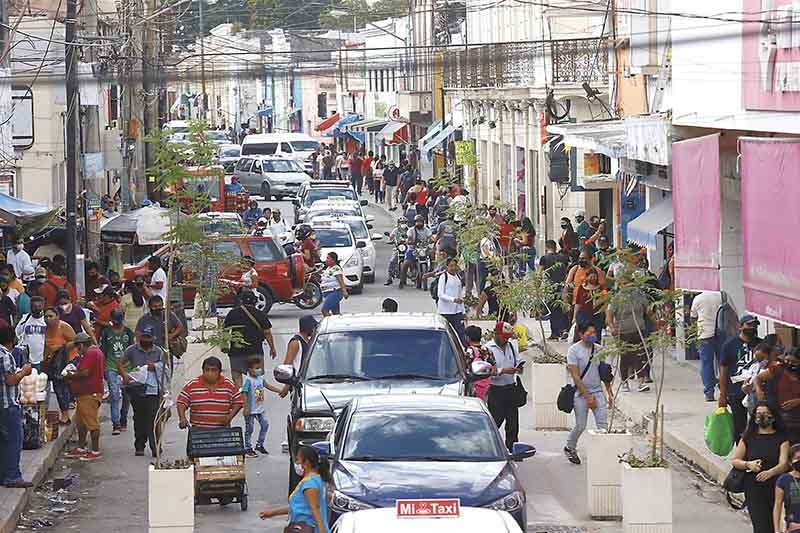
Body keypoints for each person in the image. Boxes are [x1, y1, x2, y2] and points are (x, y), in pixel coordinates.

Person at [730, 401, 789, 533]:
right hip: (754, 486)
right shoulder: (748, 437)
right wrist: (748, 464)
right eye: (759, 414)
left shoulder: (781, 438)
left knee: (774, 524)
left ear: (773, 416)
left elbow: (784, 464)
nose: (762, 416)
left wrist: (771, 472)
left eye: (766, 413)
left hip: (775, 485)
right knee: (761, 525)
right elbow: (735, 460)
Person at [564, 321, 613, 465]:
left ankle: (602, 455)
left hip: (597, 391)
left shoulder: (599, 349)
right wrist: (587, 397)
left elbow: (605, 373)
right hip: (581, 393)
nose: (592, 336)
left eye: (594, 333)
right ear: (581, 334)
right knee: (580, 425)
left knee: (603, 425)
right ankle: (570, 447)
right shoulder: (574, 351)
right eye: (589, 333)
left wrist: (610, 394)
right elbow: (575, 376)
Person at [118, 326, 166, 456]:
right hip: (136, 389)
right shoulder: (132, 350)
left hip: (153, 389)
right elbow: (120, 363)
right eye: (143, 337)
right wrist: (125, 375)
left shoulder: (159, 352)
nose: (146, 340)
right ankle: (139, 444)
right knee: (139, 418)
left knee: (153, 417)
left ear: (153, 338)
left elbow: (165, 369)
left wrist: (155, 367)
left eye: (148, 337)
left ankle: (155, 446)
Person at [260, 445, 331, 532]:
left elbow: (315, 509)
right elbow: (298, 507)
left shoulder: (310, 484)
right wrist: (271, 513)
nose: (296, 463)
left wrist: (321, 530)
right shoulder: (315, 479)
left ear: (306, 462)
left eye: (298, 460)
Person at [720, 314, 763, 443]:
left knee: (758, 425)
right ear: (740, 326)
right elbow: (723, 370)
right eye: (749, 325)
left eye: (754, 325)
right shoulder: (729, 345)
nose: (752, 328)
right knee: (740, 426)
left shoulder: (761, 345)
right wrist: (722, 394)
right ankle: (740, 455)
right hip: (735, 391)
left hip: (755, 392)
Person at [63, 333, 105, 461]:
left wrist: (69, 376)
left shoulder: (91, 353)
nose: (76, 350)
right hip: (84, 394)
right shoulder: (94, 352)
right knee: (81, 423)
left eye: (77, 347)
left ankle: (95, 451)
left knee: (92, 423)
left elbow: (85, 373)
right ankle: (81, 448)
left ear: (81, 345)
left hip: (90, 393)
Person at [0, 321, 33, 488]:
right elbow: (11, 380)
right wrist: (24, 372)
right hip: (8, 405)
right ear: (12, 339)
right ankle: (13, 476)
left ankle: (4, 475)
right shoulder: (5, 355)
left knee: (4, 442)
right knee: (14, 441)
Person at [223, 290, 277, 389]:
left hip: (237, 351)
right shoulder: (260, 314)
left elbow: (225, 331)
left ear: (241, 301)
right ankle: (258, 399)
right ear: (255, 301)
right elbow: (267, 332)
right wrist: (272, 348)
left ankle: (240, 399)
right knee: (257, 379)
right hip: (255, 351)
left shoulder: (232, 313)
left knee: (237, 377)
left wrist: (224, 346)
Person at [606, 282, 652, 393]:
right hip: (622, 332)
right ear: (621, 285)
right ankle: (624, 382)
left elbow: (648, 310)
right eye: (626, 284)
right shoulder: (617, 298)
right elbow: (610, 314)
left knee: (640, 356)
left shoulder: (639, 296)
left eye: (631, 283)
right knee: (625, 357)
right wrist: (612, 327)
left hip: (638, 330)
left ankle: (641, 383)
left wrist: (656, 323)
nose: (629, 286)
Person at [485, 321, 523, 451]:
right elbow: (488, 371)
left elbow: (518, 360)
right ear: (496, 334)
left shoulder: (511, 346)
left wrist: (519, 367)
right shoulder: (488, 349)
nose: (506, 340)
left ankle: (512, 447)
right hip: (496, 389)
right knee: (496, 420)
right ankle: (489, 446)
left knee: (513, 421)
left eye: (508, 337)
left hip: (510, 388)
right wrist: (504, 370)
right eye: (504, 337)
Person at [177, 356, 243, 429]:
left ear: (219, 371)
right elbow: (181, 402)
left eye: (213, 370)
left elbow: (238, 402)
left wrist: (229, 417)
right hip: (198, 431)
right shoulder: (192, 385)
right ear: (203, 370)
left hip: (222, 430)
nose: (210, 373)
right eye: (207, 370)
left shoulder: (228, 385)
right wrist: (182, 418)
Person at [99, 309, 134, 435]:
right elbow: (103, 351)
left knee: (127, 395)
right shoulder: (106, 332)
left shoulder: (128, 333)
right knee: (114, 395)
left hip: (126, 368)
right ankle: (116, 423)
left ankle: (123, 418)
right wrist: (102, 368)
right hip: (111, 366)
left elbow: (132, 350)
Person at [757, 347, 800, 445]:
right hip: (779, 415)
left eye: (794, 362)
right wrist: (759, 391)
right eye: (787, 360)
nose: (789, 363)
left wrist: (798, 401)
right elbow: (758, 378)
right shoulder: (777, 369)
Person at [242, 355, 282, 457]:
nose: (259, 370)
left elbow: (268, 386)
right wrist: (246, 408)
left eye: (260, 368)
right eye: (256, 368)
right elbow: (244, 393)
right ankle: (247, 448)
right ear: (249, 370)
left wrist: (279, 391)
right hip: (250, 409)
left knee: (265, 425)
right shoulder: (247, 380)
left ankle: (260, 444)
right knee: (249, 429)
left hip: (260, 408)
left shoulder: (260, 379)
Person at [44, 306, 77, 425]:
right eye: (46, 316)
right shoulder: (45, 329)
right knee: (58, 388)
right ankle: (65, 412)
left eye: (51, 316)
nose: (48, 319)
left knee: (62, 386)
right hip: (53, 362)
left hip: (68, 360)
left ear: (57, 317)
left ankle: (66, 412)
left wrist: (59, 348)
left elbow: (76, 342)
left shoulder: (64, 327)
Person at [691, 290, 723, 402]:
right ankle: (724, 390)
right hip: (721, 333)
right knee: (723, 362)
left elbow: (693, 315)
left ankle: (709, 392)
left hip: (705, 334)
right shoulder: (721, 296)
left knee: (706, 364)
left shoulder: (698, 298)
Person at [539, 240, 569, 340]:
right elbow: (566, 273)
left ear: (546, 247)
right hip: (561, 286)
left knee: (552, 311)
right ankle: (563, 330)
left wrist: (538, 286)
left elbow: (539, 273)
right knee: (561, 310)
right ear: (555, 247)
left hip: (550, 288)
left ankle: (554, 333)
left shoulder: (544, 258)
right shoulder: (563, 258)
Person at [437, 257, 466, 347]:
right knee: (444, 334)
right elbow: (440, 294)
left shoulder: (458, 277)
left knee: (461, 333)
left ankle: (464, 351)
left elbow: (460, 295)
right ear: (447, 267)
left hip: (457, 311)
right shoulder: (443, 277)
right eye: (451, 266)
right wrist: (453, 299)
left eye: (455, 266)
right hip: (445, 312)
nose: (453, 268)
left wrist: (463, 311)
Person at [773, 443, 800, 533]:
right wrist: (777, 530)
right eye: (798, 458)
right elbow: (777, 506)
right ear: (790, 462)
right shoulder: (784, 480)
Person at [400, 215, 432, 289]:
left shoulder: (426, 230)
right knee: (406, 263)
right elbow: (409, 238)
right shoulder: (411, 230)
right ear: (415, 222)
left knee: (432, 253)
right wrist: (409, 241)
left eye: (421, 222)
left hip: (423, 248)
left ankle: (432, 267)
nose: (419, 223)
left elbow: (431, 237)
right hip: (413, 249)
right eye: (417, 222)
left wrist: (431, 240)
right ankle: (402, 280)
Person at [16, 296, 46, 372]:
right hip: (27, 360)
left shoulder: (46, 319)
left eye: (39, 306)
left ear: (43, 306)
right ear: (30, 307)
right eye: (34, 306)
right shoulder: (25, 318)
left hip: (42, 360)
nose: (37, 308)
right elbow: (17, 333)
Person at [465, 325, 494, 401]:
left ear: (467, 338)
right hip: (487, 387)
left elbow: (464, 367)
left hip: (474, 386)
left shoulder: (470, 351)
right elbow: (493, 365)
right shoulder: (487, 350)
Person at [319, 252, 349, 317]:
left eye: (328, 258)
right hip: (327, 293)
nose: (326, 260)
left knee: (324, 310)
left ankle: (330, 324)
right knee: (336, 313)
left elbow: (340, 281)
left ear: (333, 260)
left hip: (335, 292)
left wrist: (344, 291)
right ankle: (340, 325)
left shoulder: (336, 268)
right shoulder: (328, 268)